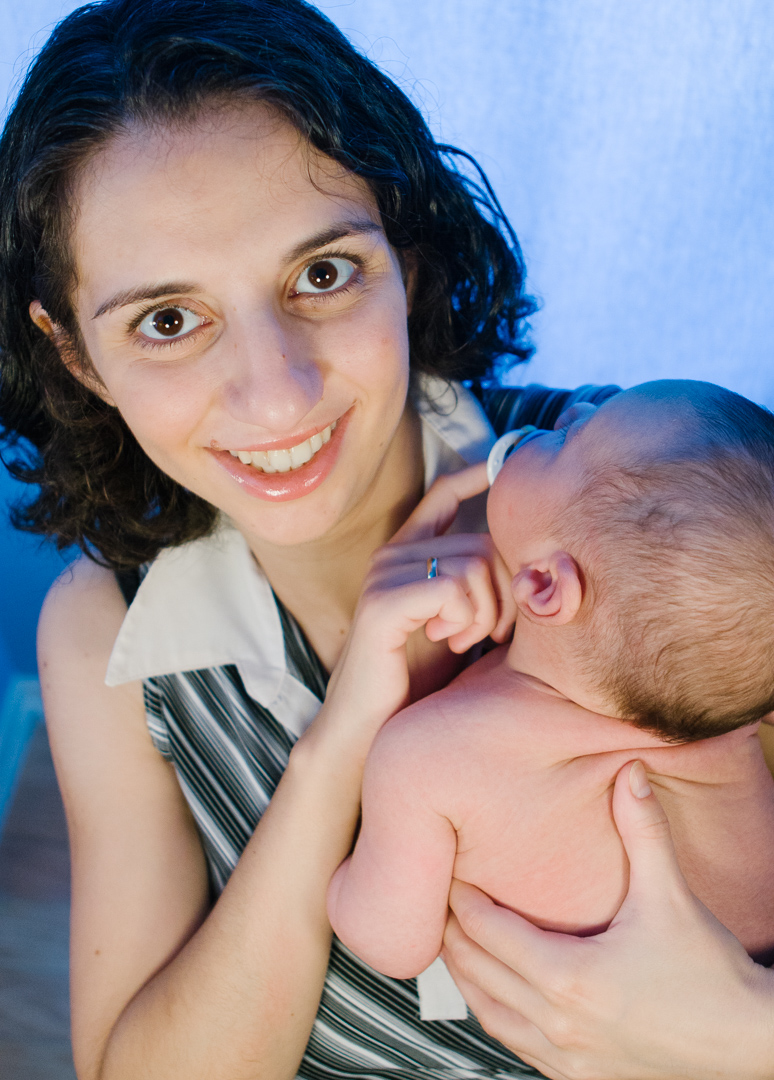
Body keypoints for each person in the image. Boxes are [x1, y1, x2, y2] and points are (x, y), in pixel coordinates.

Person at [0, 1, 770, 1078]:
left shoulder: (660, 493)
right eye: (168, 321)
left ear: (405, 256)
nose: (276, 397)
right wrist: (344, 741)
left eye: (322, 274)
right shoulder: (109, 631)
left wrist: (744, 1038)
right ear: (75, 354)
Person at [327, 381, 774, 1007]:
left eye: (567, 440)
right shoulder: (729, 721)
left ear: (541, 587)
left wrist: (344, 879)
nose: (573, 407)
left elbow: (389, 945)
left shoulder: (425, 758)